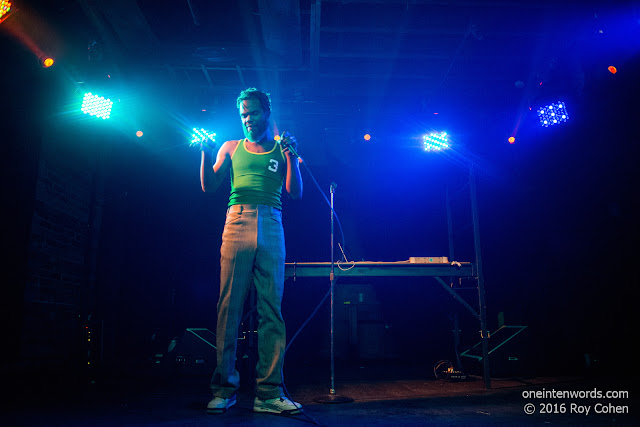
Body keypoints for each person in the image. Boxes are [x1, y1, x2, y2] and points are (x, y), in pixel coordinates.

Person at [199, 88, 303, 415]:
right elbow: (209, 186)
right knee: (229, 306)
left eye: (253, 113)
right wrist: (203, 153)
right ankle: (224, 388)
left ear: (266, 112)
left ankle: (269, 394)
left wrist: (291, 156)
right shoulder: (230, 147)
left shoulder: (281, 148)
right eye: (243, 114)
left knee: (271, 308)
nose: (247, 119)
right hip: (238, 220)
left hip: (272, 222)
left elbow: (296, 192)